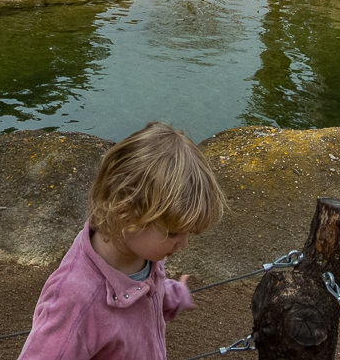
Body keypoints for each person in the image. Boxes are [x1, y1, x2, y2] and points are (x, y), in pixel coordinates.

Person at [17, 121, 226, 360]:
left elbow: (145, 291)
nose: (184, 243)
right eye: (174, 233)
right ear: (125, 214)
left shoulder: (141, 252)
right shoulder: (75, 301)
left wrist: (173, 296)